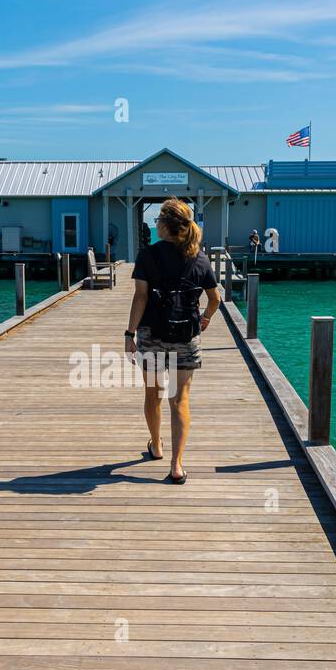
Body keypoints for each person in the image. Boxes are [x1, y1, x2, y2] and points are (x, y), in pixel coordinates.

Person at [125, 199, 220, 485]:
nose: (155, 224)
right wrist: (205, 319)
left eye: (157, 221)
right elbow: (215, 299)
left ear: (165, 225)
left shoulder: (148, 256)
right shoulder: (199, 257)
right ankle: (177, 465)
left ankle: (156, 445)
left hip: (152, 335)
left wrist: (129, 334)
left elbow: (140, 297)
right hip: (186, 336)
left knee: (153, 395)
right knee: (179, 401)